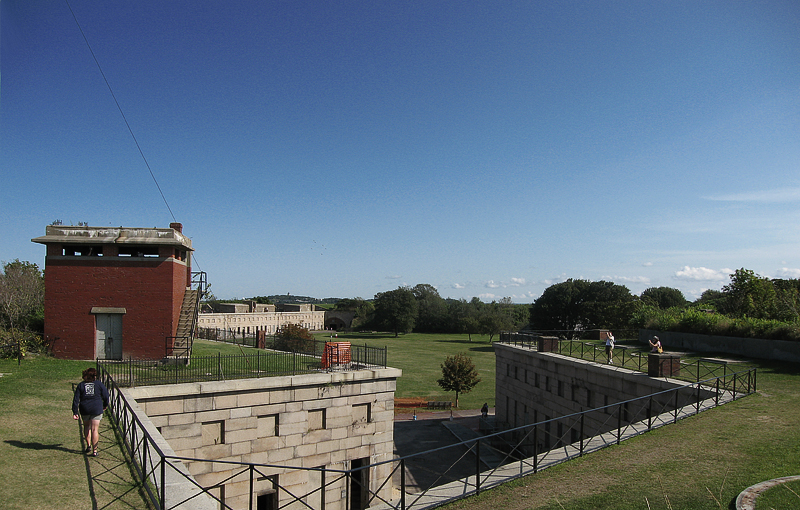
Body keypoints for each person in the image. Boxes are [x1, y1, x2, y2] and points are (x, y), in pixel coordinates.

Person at [72, 367, 109, 457]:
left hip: (85, 408)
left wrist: (75, 411)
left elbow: (76, 399)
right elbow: (106, 395)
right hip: (96, 408)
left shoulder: (81, 385)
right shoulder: (99, 384)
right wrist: (105, 404)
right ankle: (95, 450)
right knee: (94, 429)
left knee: (86, 426)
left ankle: (88, 445)